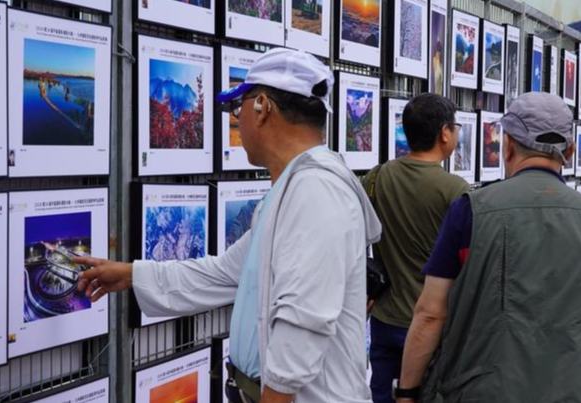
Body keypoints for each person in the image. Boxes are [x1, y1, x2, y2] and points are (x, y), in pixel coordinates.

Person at [74, 48, 381, 402]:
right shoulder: (293, 190)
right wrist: (130, 274)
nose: (237, 121)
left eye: (239, 108)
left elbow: (304, 323)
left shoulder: (316, 191)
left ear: (262, 106)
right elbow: (225, 274)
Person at [396, 92, 581, 402]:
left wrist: (407, 391)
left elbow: (431, 313)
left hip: (482, 389)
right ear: (570, 149)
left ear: (508, 145)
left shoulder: (471, 210)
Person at [362, 94, 469, 403]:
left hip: (384, 319)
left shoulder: (376, 177)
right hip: (432, 329)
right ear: (445, 133)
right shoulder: (455, 190)